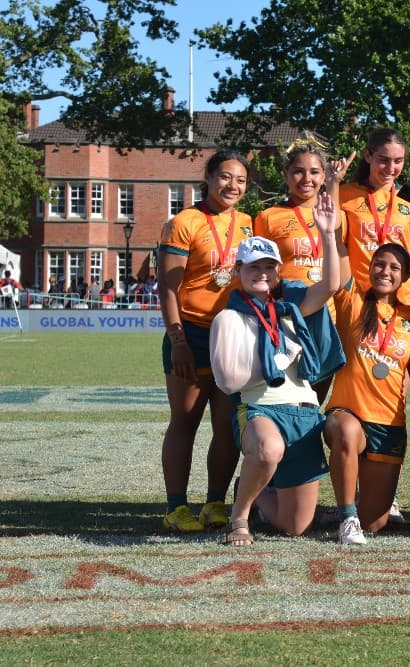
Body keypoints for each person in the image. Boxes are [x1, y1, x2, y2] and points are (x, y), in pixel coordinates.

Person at [211, 198, 343, 546]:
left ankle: (253, 488)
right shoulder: (230, 316)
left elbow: (330, 285)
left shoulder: (291, 307)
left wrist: (328, 234)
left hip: (302, 411)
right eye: (253, 267)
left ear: (279, 271)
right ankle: (238, 517)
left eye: (269, 267)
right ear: (239, 269)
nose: (262, 274)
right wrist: (276, 361)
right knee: (268, 449)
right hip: (259, 408)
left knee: (295, 526)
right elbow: (227, 381)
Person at [157, 150, 254, 533]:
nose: (233, 186)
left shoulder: (248, 224)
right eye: (226, 177)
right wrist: (177, 339)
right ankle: (176, 506)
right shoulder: (185, 221)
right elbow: (167, 289)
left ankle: (216, 502)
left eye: (241, 180)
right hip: (193, 333)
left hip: (233, 334)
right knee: (185, 421)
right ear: (209, 177)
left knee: (227, 424)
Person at [323, 227, 410, 543]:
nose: (385, 271)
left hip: (388, 424)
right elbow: (338, 256)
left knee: (375, 523)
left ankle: (361, 511)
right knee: (346, 432)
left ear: (405, 277)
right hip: (348, 413)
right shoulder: (352, 301)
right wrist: (331, 224)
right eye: (379, 264)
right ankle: (346, 517)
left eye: (394, 267)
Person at [253, 133, 353, 402]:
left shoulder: (338, 216)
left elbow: (342, 269)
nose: (306, 179)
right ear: (286, 174)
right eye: (298, 171)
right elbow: (260, 272)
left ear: (323, 176)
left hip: (324, 318)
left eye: (314, 172)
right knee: (285, 397)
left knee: (313, 402)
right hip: (286, 318)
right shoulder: (268, 217)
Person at [339, 128, 410, 307]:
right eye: (384, 160)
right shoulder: (344, 194)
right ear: (368, 156)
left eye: (398, 161)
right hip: (357, 298)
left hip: (400, 299)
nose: (391, 169)